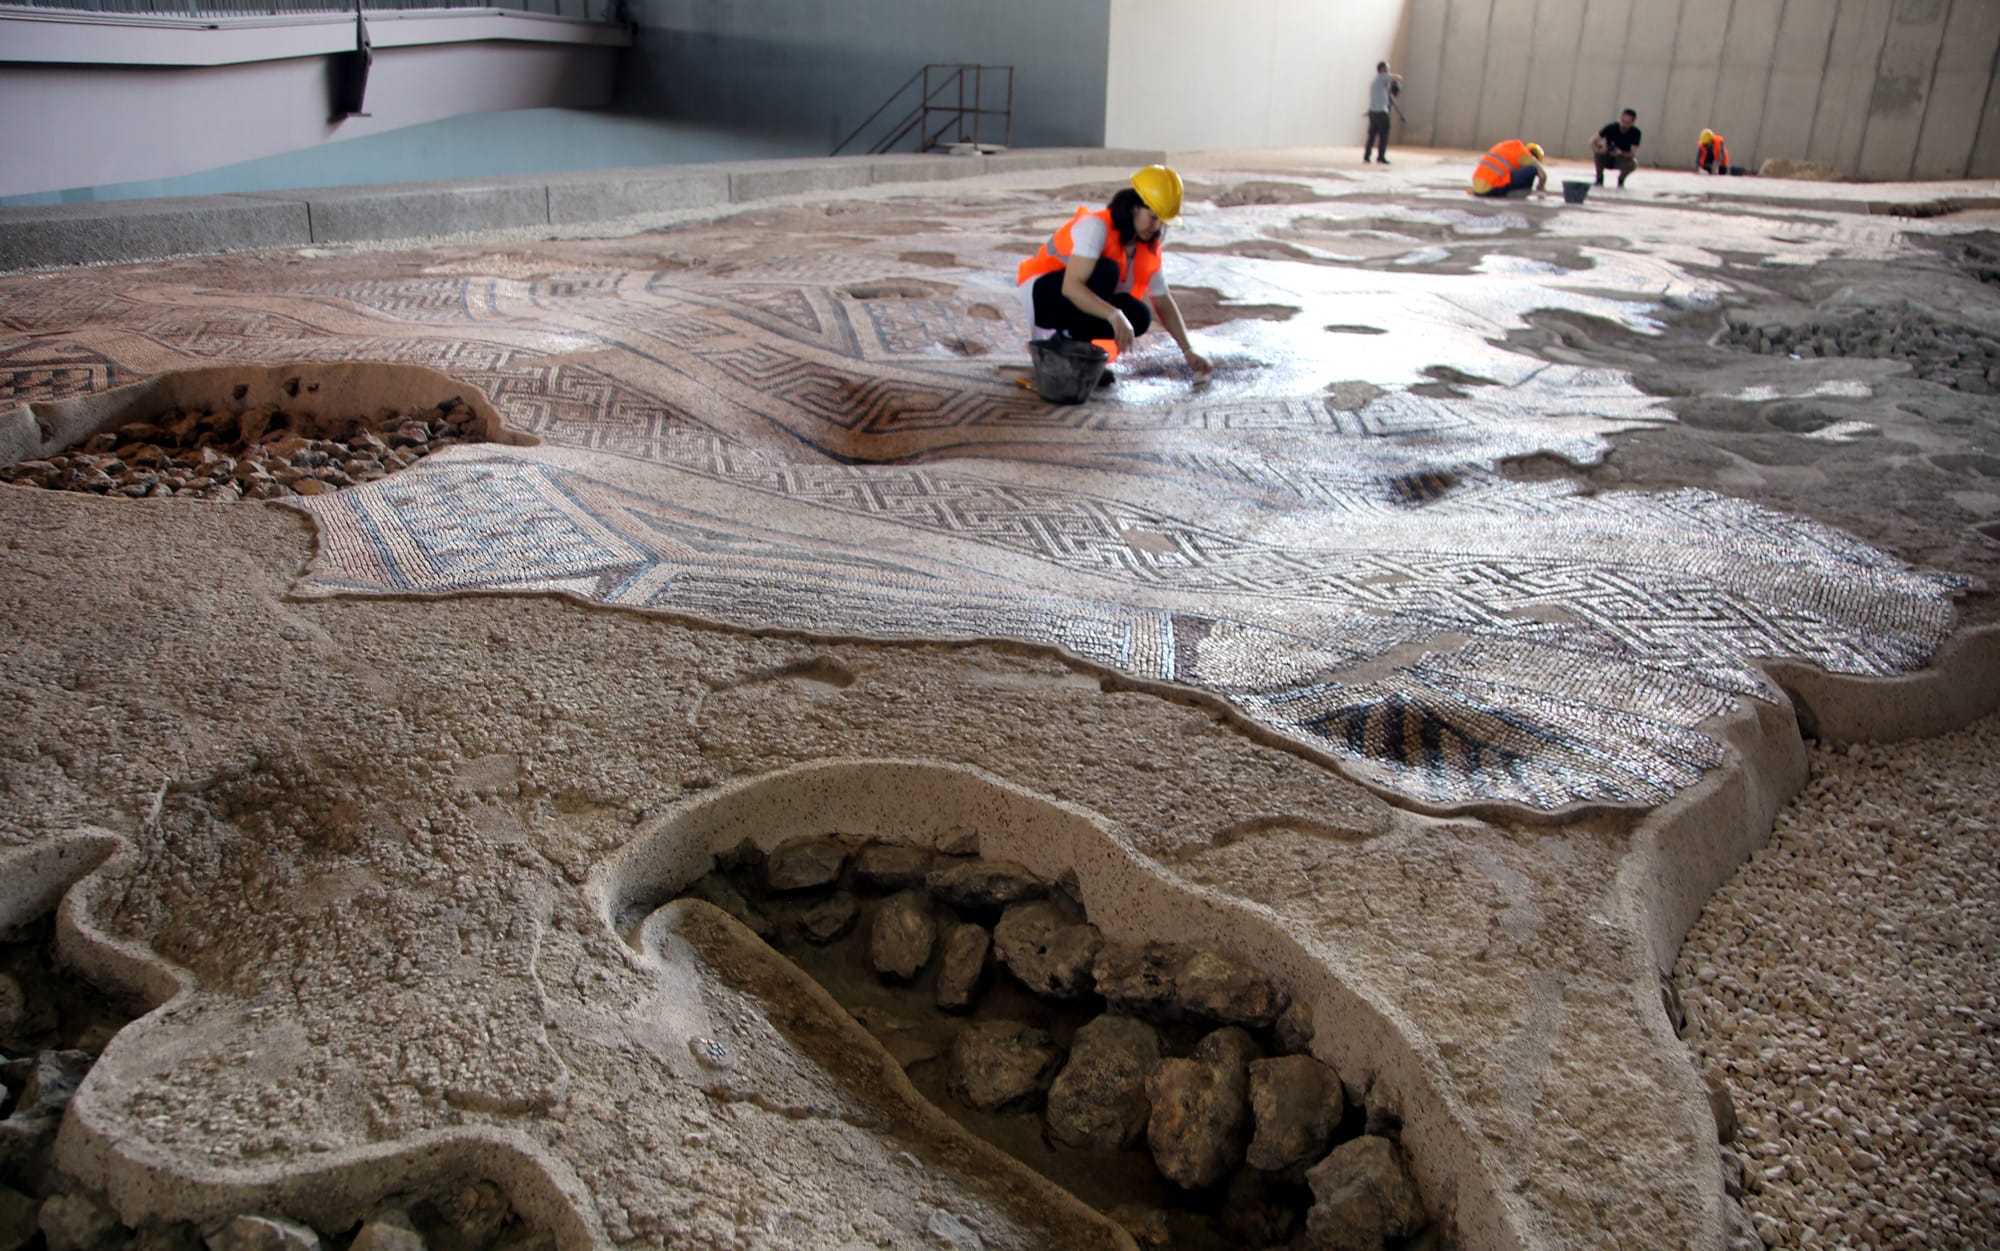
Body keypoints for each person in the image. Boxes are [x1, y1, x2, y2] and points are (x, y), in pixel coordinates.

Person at [1016, 164, 1212, 381]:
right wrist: (1114, 315)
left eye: (1161, 221)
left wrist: (1188, 350)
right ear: (1134, 207)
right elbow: (1071, 287)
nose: (1156, 226)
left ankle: (1078, 355)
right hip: (1044, 295)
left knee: (1139, 315)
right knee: (1107, 271)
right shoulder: (1096, 226)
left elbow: (1163, 302)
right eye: (1152, 216)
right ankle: (1061, 348)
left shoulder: (1147, 247)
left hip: (1080, 301)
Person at [1470, 140, 1546, 197]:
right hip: (1490, 189)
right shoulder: (1525, 155)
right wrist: (1540, 190)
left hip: (1477, 188)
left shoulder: (1511, 147)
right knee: (1532, 170)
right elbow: (1542, 175)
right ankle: (1520, 194)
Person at [1591, 109, 1642, 187]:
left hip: (1621, 159)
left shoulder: (1635, 133)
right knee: (1597, 155)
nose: (1624, 124)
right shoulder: (1611, 128)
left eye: (1627, 123)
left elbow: (1634, 153)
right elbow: (1592, 141)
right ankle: (1599, 178)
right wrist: (1600, 150)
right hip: (1606, 156)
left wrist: (1621, 153)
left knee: (1632, 164)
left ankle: (1621, 180)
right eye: (1623, 121)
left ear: (1632, 122)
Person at [1364, 61, 1402, 164]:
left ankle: (1367, 156)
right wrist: (1395, 81)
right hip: (1381, 112)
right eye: (1387, 69)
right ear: (1382, 69)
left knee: (1371, 136)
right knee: (1383, 136)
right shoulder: (1382, 77)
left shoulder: (1375, 81)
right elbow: (1398, 77)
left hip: (1373, 112)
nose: (1388, 71)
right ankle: (1380, 157)